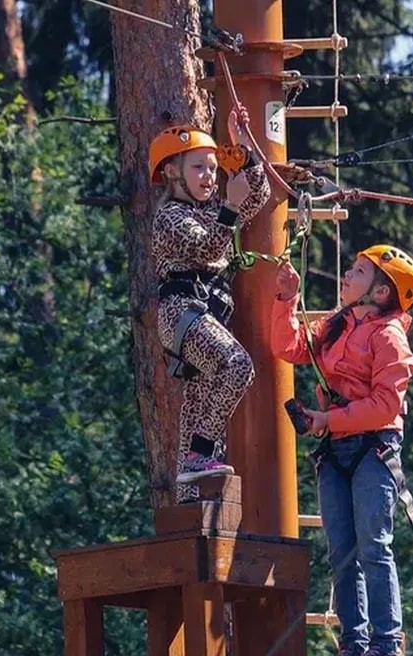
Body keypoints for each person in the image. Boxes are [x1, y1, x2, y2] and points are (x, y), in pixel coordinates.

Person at [270, 244, 413, 656]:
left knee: (373, 547)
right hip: (337, 448)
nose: (346, 276)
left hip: (374, 448)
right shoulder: (337, 326)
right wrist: (287, 298)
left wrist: (325, 420)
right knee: (342, 551)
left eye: (357, 272)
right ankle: (353, 645)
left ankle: (386, 644)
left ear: (380, 293)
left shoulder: (389, 337)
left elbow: (385, 406)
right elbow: (289, 347)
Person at [150, 106, 271, 502]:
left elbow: (261, 190)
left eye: (213, 168)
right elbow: (205, 250)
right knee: (236, 366)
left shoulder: (207, 209)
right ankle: (200, 455)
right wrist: (230, 208)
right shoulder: (169, 216)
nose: (210, 176)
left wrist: (243, 145)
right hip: (183, 311)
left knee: (201, 395)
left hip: (204, 314)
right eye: (199, 168)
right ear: (172, 172)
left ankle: (190, 488)